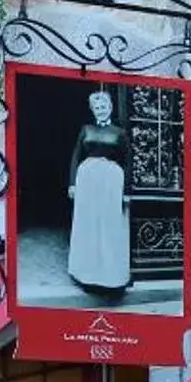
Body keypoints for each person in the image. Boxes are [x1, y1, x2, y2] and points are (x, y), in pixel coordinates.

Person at [65, 87, 131, 295]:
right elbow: (76, 156)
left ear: (110, 108)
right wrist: (72, 184)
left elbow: (128, 162)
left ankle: (110, 277)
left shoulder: (120, 133)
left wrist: (126, 191)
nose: (101, 110)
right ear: (92, 110)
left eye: (104, 106)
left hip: (111, 182)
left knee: (109, 226)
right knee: (88, 225)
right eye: (97, 107)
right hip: (87, 181)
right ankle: (86, 275)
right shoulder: (86, 129)